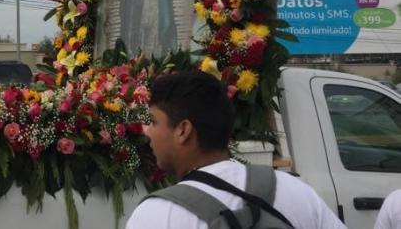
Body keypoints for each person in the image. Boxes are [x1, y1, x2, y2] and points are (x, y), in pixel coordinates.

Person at [126, 71, 347, 229]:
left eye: (154, 122)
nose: (147, 132)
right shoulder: (294, 191)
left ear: (183, 130)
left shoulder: (159, 215)